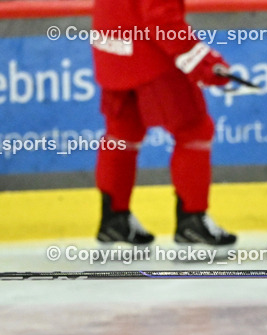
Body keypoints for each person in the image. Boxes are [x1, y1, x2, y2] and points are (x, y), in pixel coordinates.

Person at [90, 0, 236, 246]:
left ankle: (114, 221)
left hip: (112, 44)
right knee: (194, 130)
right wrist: (200, 59)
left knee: (121, 134)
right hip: (149, 54)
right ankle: (192, 223)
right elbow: (160, 16)